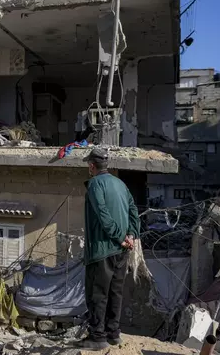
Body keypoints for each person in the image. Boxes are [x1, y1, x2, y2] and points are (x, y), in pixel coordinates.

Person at [79, 148, 140, 350]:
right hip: (122, 251)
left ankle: (97, 337)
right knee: (116, 293)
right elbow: (133, 209)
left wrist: (119, 236)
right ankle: (113, 334)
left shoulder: (95, 184)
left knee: (97, 294)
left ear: (91, 166)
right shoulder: (120, 184)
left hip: (102, 250)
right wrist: (130, 235)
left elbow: (103, 215)